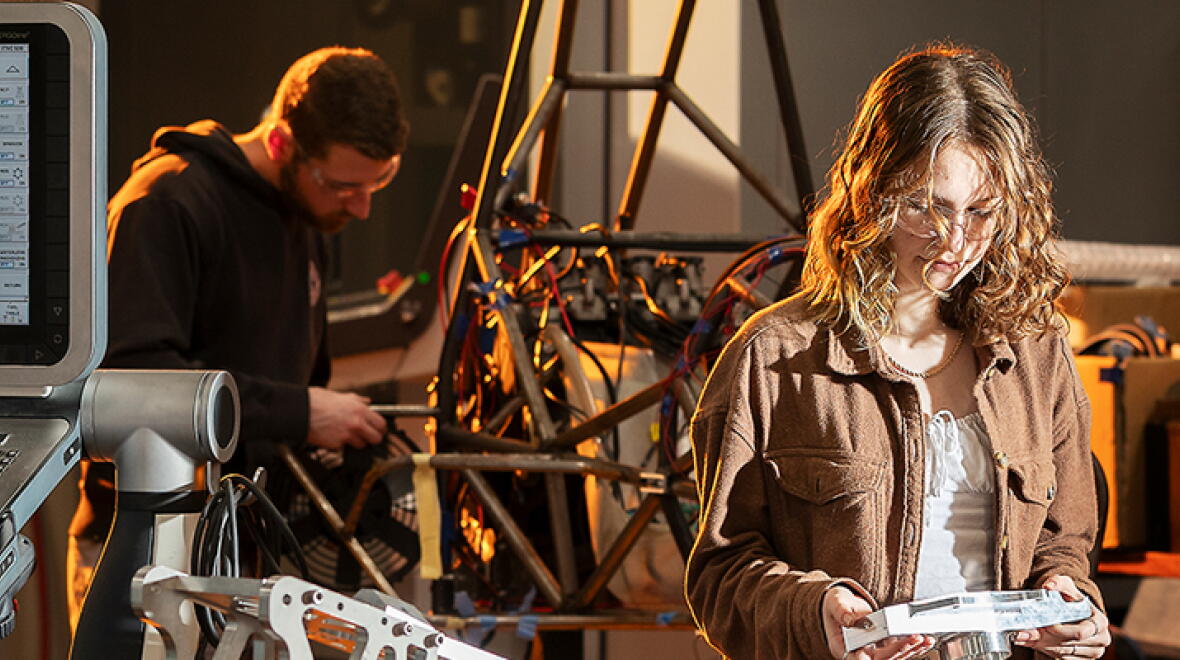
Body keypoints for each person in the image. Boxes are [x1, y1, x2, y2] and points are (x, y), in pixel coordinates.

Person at [685, 45, 1111, 660]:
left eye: (981, 211)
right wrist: (816, 614)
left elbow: (1064, 546)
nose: (955, 240)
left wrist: (1070, 604)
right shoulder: (774, 358)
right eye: (925, 207)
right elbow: (719, 578)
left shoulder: (1038, 353)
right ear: (871, 191)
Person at [66, 46, 408, 627]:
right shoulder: (167, 203)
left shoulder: (305, 216)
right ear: (280, 142)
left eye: (380, 182)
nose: (362, 208)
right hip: (151, 553)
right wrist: (299, 412)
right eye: (343, 185)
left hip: (250, 553)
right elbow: (135, 381)